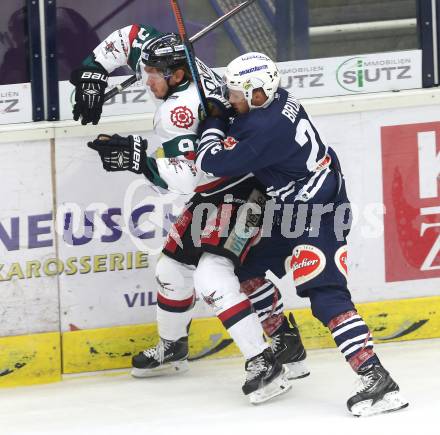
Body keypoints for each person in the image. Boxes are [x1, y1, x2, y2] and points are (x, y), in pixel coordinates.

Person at [70, 25, 308, 403]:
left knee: (213, 275)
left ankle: (265, 361)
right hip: (217, 193)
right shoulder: (181, 61)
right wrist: (94, 69)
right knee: (171, 270)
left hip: (244, 191)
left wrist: (139, 163)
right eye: (145, 72)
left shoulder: (178, 112)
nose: (146, 80)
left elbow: (191, 175)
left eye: (152, 75)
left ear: (177, 76)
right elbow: (134, 36)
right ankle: (174, 346)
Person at [195, 51, 409, 417]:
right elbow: (242, 121)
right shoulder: (276, 101)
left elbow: (210, 161)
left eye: (236, 93)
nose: (232, 99)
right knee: (244, 268)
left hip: (320, 213)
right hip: (292, 208)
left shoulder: (263, 128)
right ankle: (286, 342)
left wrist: (213, 121)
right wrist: (225, 108)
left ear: (258, 93)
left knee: (326, 296)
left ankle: (376, 378)